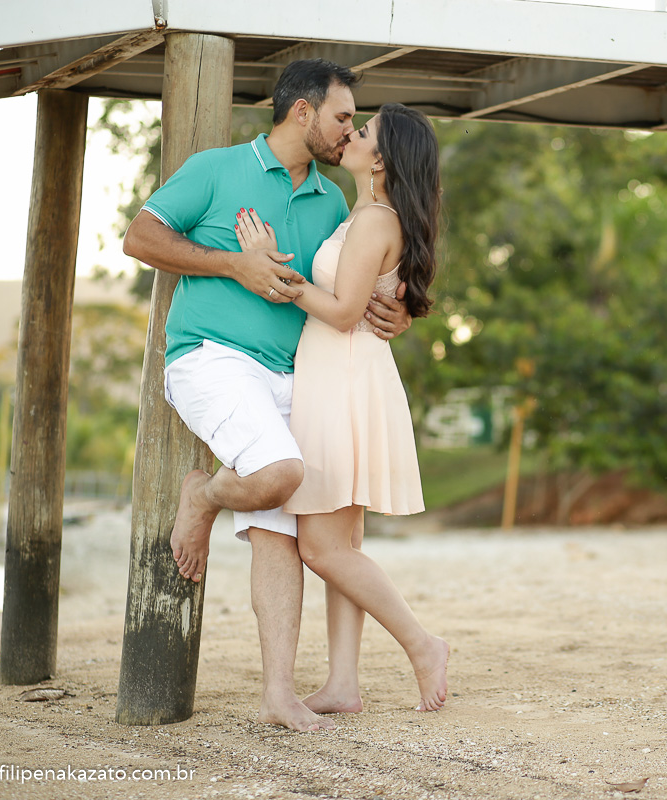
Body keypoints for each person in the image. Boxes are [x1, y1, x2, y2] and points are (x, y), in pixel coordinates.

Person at [122, 59, 412, 732]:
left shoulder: (334, 201)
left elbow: (350, 287)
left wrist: (396, 311)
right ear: (303, 111)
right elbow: (140, 237)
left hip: (297, 376)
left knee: (281, 530)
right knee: (280, 473)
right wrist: (235, 264)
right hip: (213, 357)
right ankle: (204, 495)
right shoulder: (216, 168)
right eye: (343, 117)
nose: (349, 131)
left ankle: (279, 693)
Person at [233, 103, 449, 713]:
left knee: (321, 548)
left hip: (343, 381)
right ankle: (343, 684)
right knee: (343, 545)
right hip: (342, 376)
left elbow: (345, 311)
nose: (351, 133)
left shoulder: (375, 219)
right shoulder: (364, 214)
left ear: (380, 159)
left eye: (365, 130)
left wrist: (272, 271)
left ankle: (422, 644)